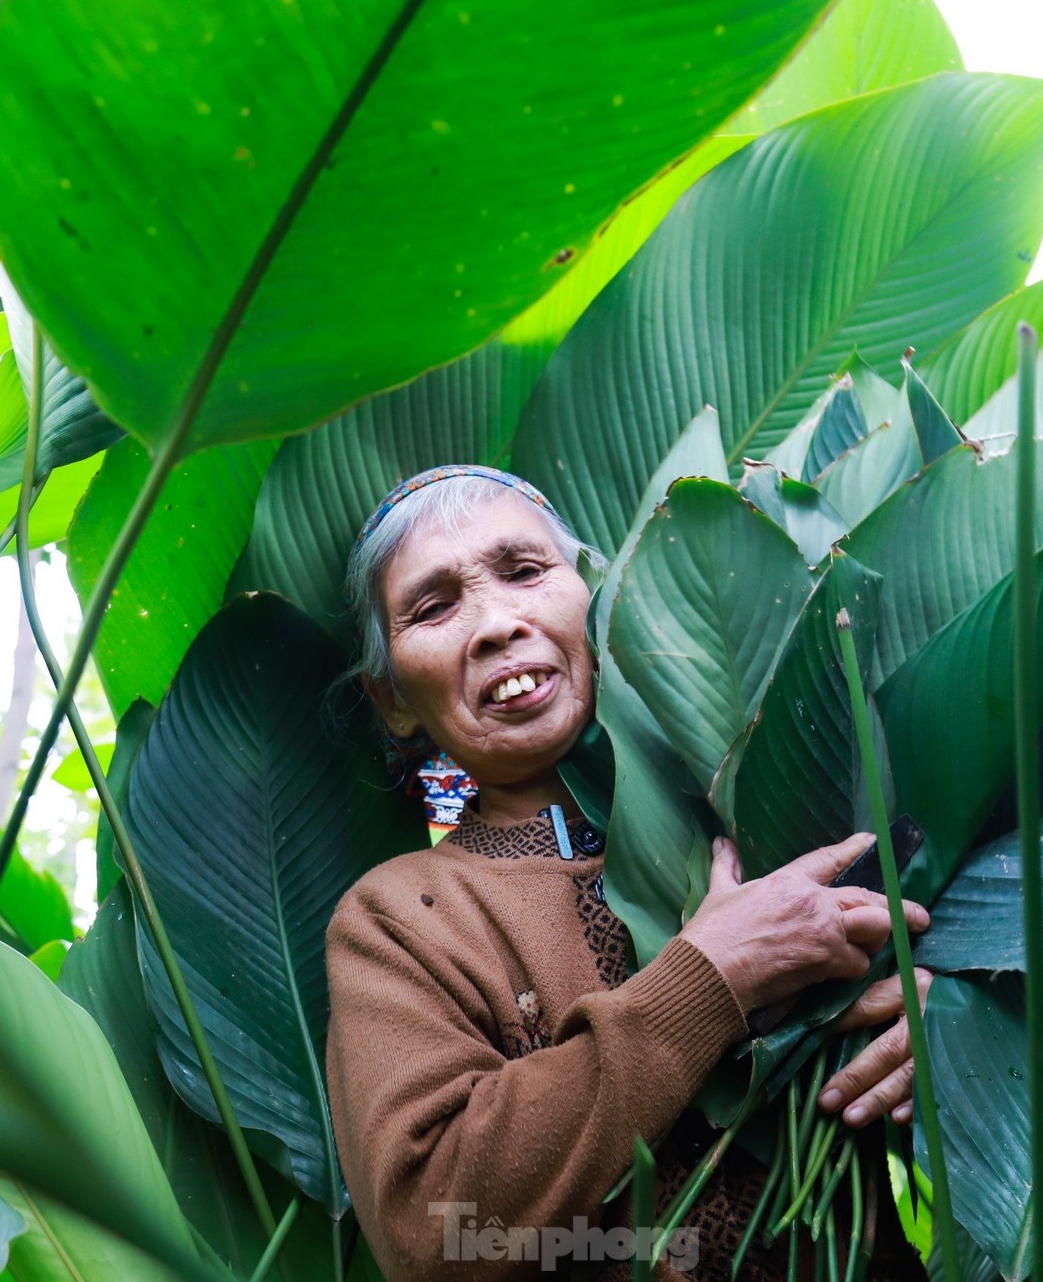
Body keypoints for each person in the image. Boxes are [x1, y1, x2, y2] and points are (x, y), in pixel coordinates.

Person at [326, 466, 933, 1281]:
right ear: (392, 697)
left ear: (599, 599)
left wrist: (933, 1025)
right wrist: (708, 978)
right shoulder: (400, 917)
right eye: (434, 606)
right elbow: (434, 1229)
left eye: (525, 570)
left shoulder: (755, 808)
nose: (495, 623)